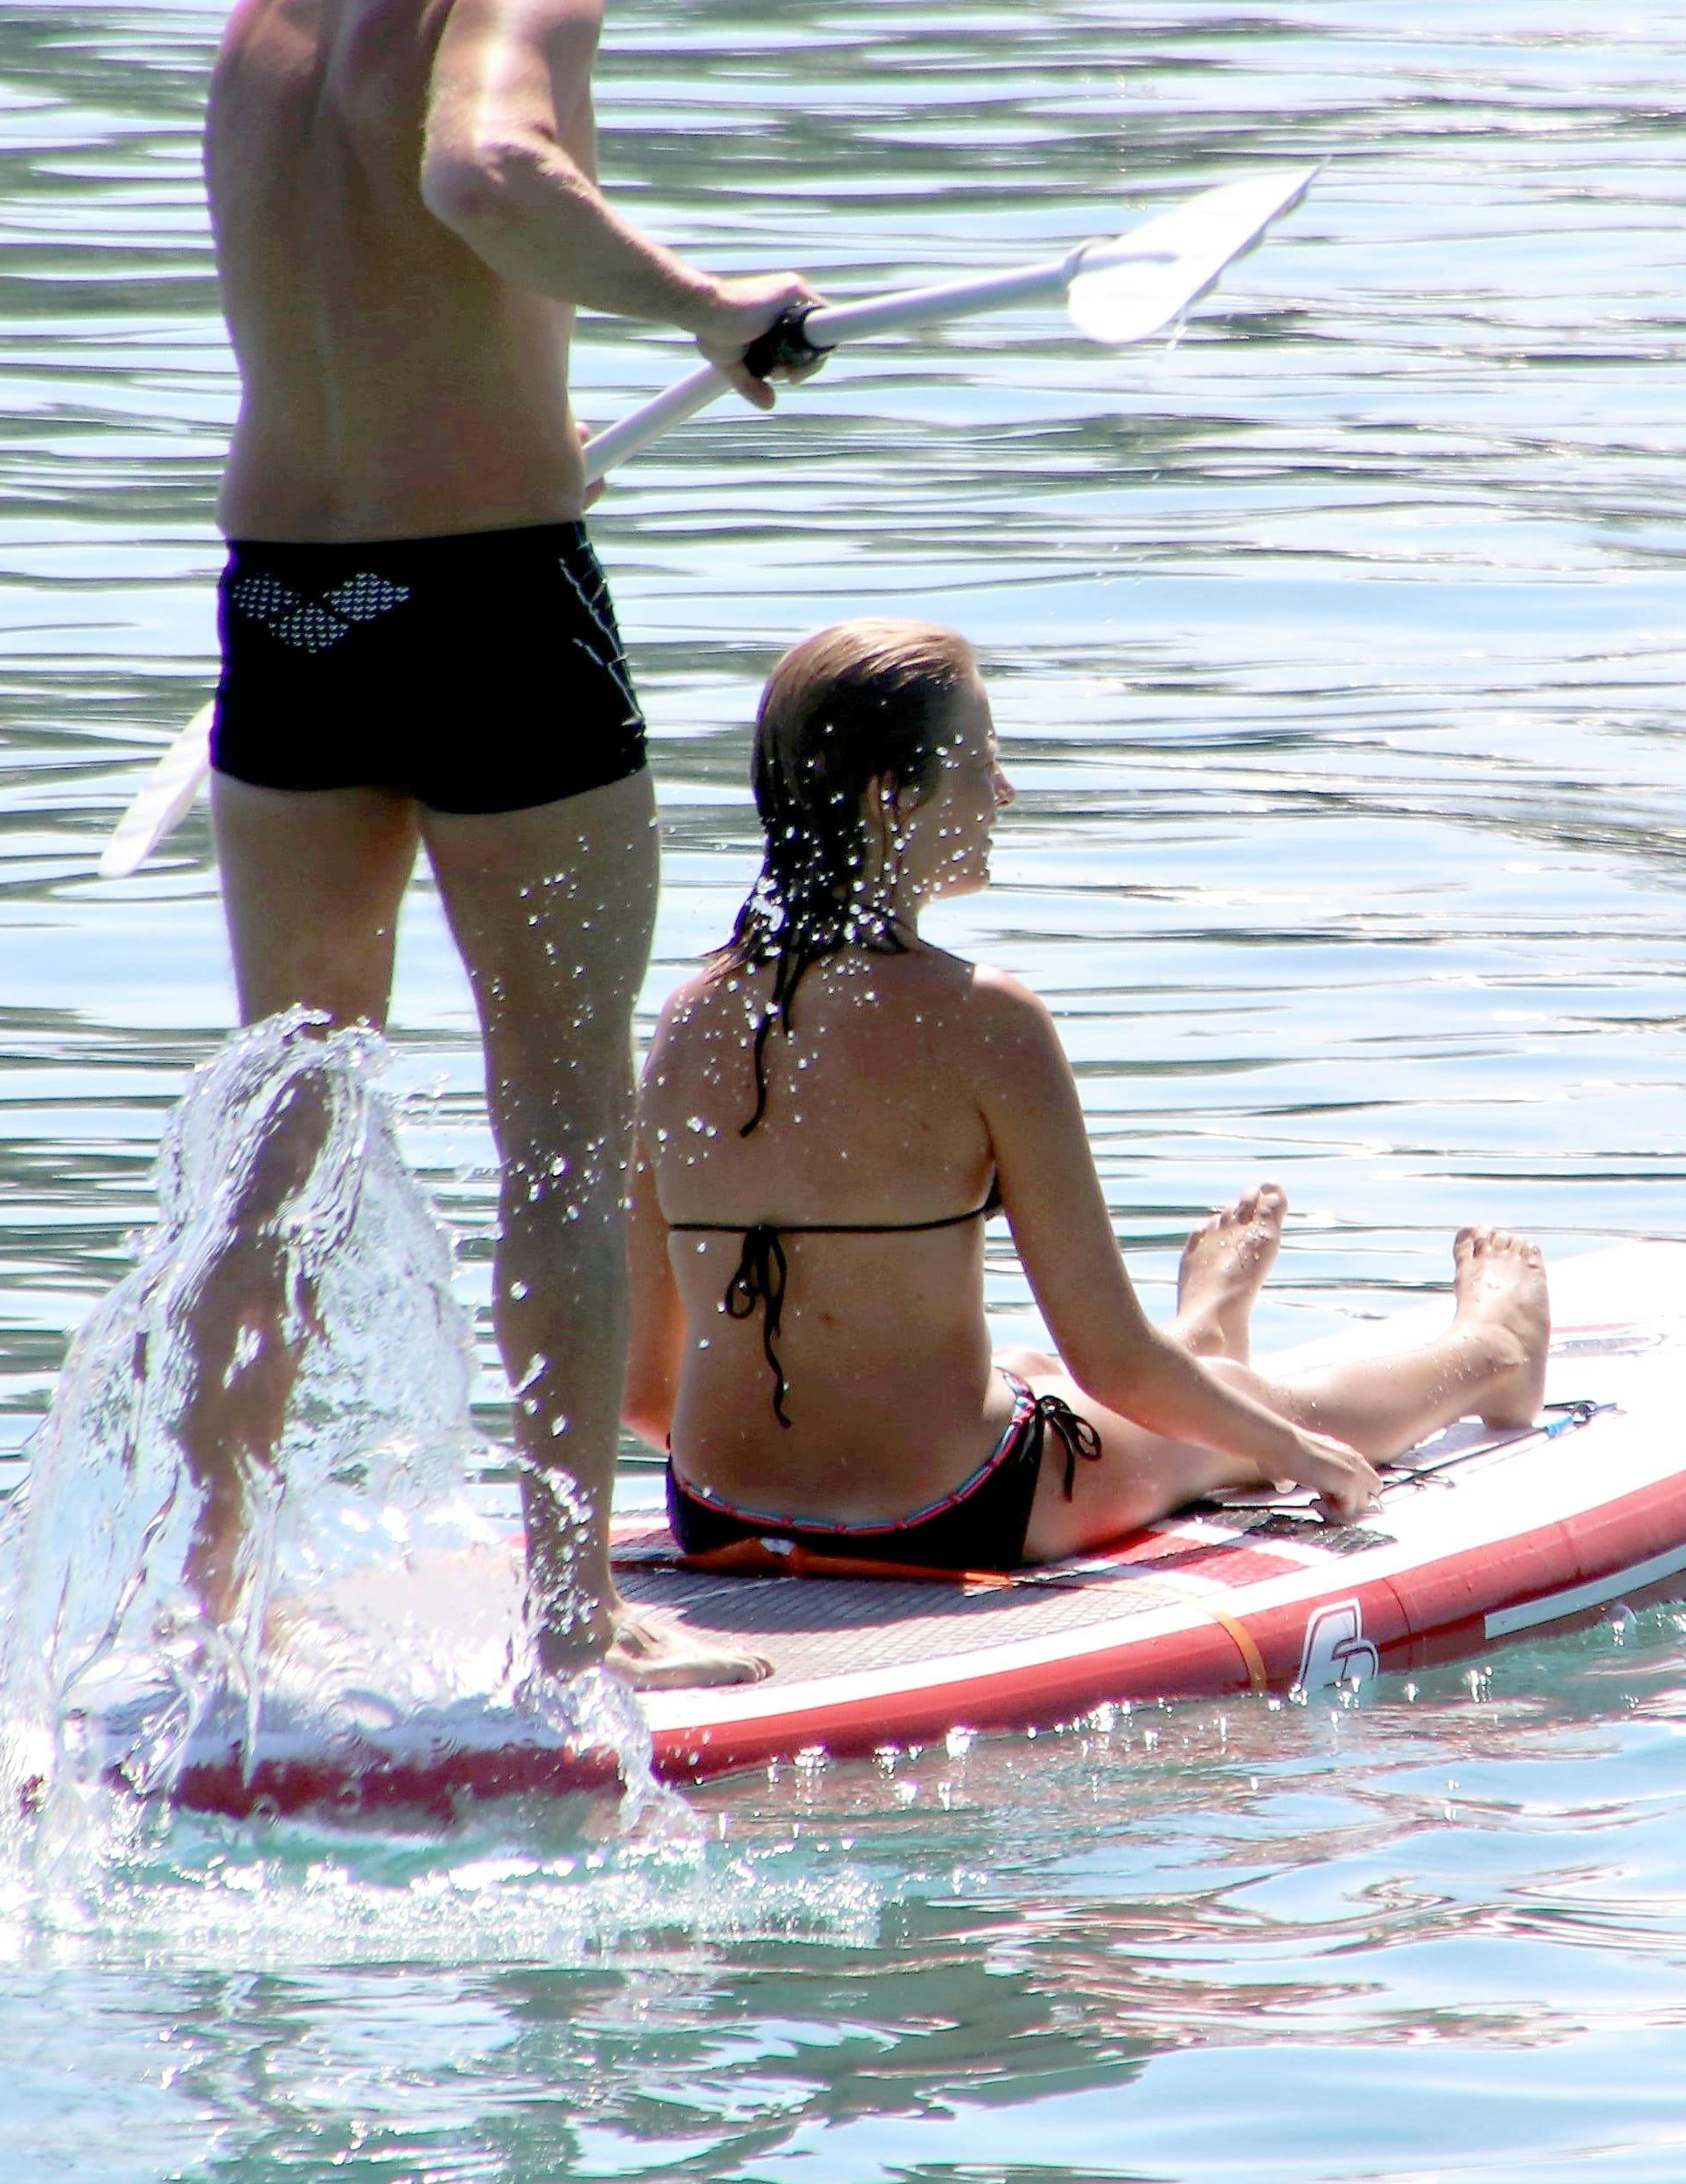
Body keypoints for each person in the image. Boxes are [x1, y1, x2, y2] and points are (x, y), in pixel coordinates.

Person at [188, 0, 816, 1682]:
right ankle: (572, 1623)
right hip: (481, 616)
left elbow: (378, 313)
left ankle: (204, 1607)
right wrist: (709, 308)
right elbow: (482, 167)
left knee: (283, 1115)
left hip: (287, 609)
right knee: (555, 1117)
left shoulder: (259, 20)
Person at [625, 622, 1556, 1573]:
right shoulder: (987, 1019)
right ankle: (1494, 1348)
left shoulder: (685, 1017)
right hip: (948, 1512)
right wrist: (1290, 1452)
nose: (1003, 791)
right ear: (892, 796)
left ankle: (1195, 1336)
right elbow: (1110, 1360)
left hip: (715, 1508)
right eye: (982, 763)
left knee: (1030, 1370)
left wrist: (801, 1462)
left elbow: (640, 1390)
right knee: (1253, 1406)